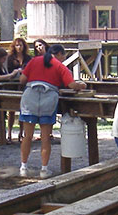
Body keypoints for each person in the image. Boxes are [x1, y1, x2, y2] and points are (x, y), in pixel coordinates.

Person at [18, 44, 86, 178]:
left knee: (27, 136)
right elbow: (72, 85)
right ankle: (44, 170)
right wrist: (82, 85)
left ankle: (23, 168)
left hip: (30, 96)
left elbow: (22, 79)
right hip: (48, 98)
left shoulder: (34, 60)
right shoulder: (60, 66)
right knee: (45, 138)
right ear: (59, 54)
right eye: (64, 56)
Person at [6, 37, 31, 142]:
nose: (19, 47)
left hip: (24, 85)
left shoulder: (28, 58)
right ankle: (9, 133)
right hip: (13, 85)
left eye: (21, 45)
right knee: (11, 110)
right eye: (17, 45)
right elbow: (8, 70)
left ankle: (22, 133)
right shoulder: (10, 58)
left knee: (23, 110)